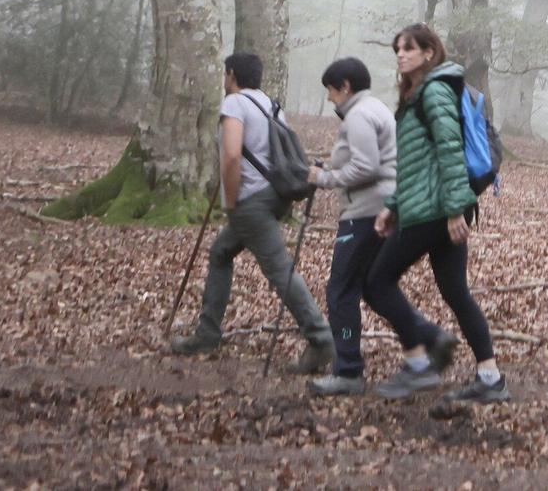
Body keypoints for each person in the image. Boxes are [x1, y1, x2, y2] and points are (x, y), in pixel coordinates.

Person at [360, 24, 507, 404]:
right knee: (456, 291)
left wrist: (455, 209)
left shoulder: (435, 92)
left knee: (376, 282)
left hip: (435, 211)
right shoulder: (416, 96)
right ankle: (490, 378)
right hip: (431, 206)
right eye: (397, 49)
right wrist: (392, 208)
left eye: (409, 48)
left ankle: (419, 362)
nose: (400, 55)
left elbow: (449, 150)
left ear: (429, 53)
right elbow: (415, 164)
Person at [169, 53, 334, 373]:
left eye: (225, 73)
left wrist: (231, 202)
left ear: (231, 74)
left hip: (250, 200)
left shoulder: (234, 104)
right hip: (275, 195)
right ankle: (207, 333)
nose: (224, 79)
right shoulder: (270, 105)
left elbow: (231, 156)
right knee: (221, 252)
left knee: (278, 269)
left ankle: (321, 337)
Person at [307, 56, 397, 398]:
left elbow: (367, 165)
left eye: (331, 90)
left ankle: (347, 370)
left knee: (340, 291)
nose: (330, 98)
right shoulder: (376, 109)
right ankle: (425, 342)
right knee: (373, 287)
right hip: (378, 208)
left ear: (345, 86)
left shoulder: (358, 115)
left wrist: (326, 177)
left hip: (362, 212)